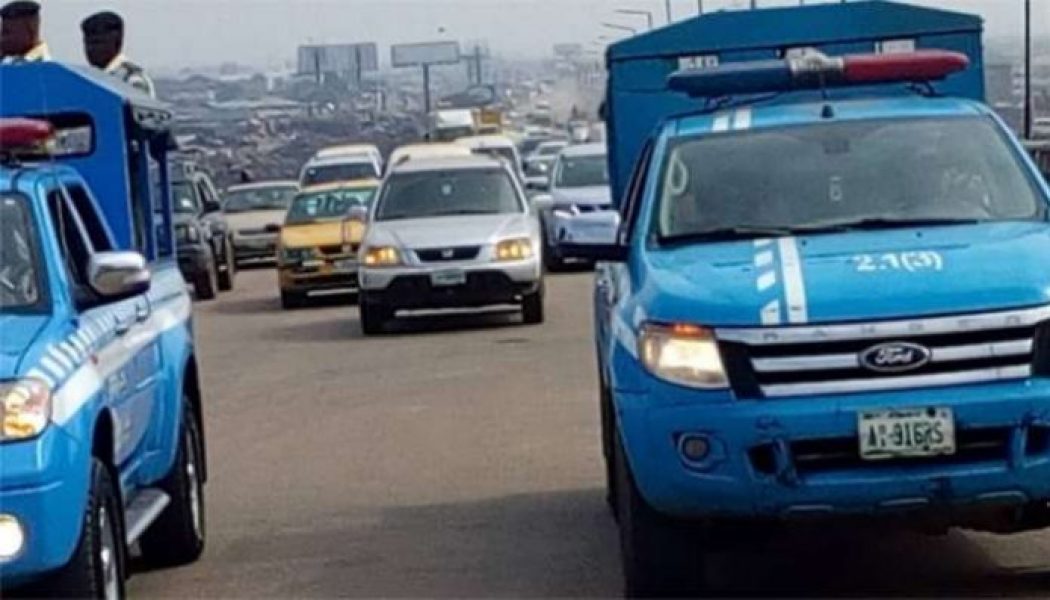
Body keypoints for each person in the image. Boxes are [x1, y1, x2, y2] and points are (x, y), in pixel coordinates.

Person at [81, 10, 155, 97]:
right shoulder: (91, 79)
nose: (90, 49)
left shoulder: (132, 80)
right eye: (87, 43)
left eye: (97, 43)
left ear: (117, 41)